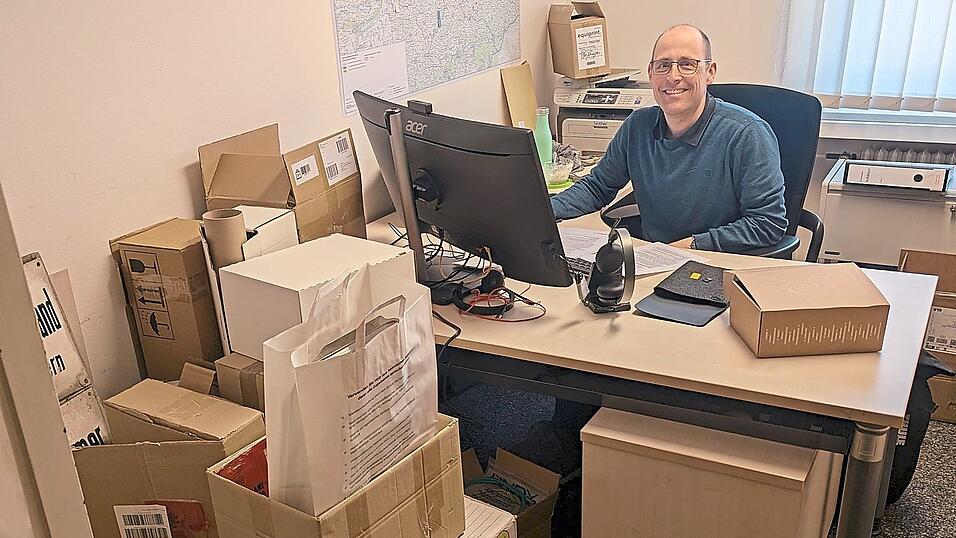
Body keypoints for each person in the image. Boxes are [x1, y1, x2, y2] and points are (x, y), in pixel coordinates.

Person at [550, 24, 788, 253]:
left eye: (687, 64)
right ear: (651, 73)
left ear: (710, 72)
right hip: (655, 262)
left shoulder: (747, 134)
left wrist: (691, 245)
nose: (673, 76)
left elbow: (767, 223)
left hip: (719, 266)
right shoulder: (637, 127)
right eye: (663, 65)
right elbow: (597, 188)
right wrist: (541, 212)